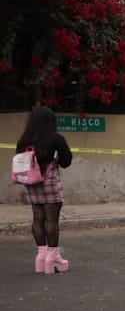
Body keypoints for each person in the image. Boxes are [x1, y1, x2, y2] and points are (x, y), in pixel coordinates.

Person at [15, 106, 73, 274]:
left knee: (37, 218)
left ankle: (41, 255)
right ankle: (53, 257)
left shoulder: (24, 140)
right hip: (49, 181)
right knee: (52, 220)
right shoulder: (56, 138)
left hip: (31, 182)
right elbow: (66, 161)